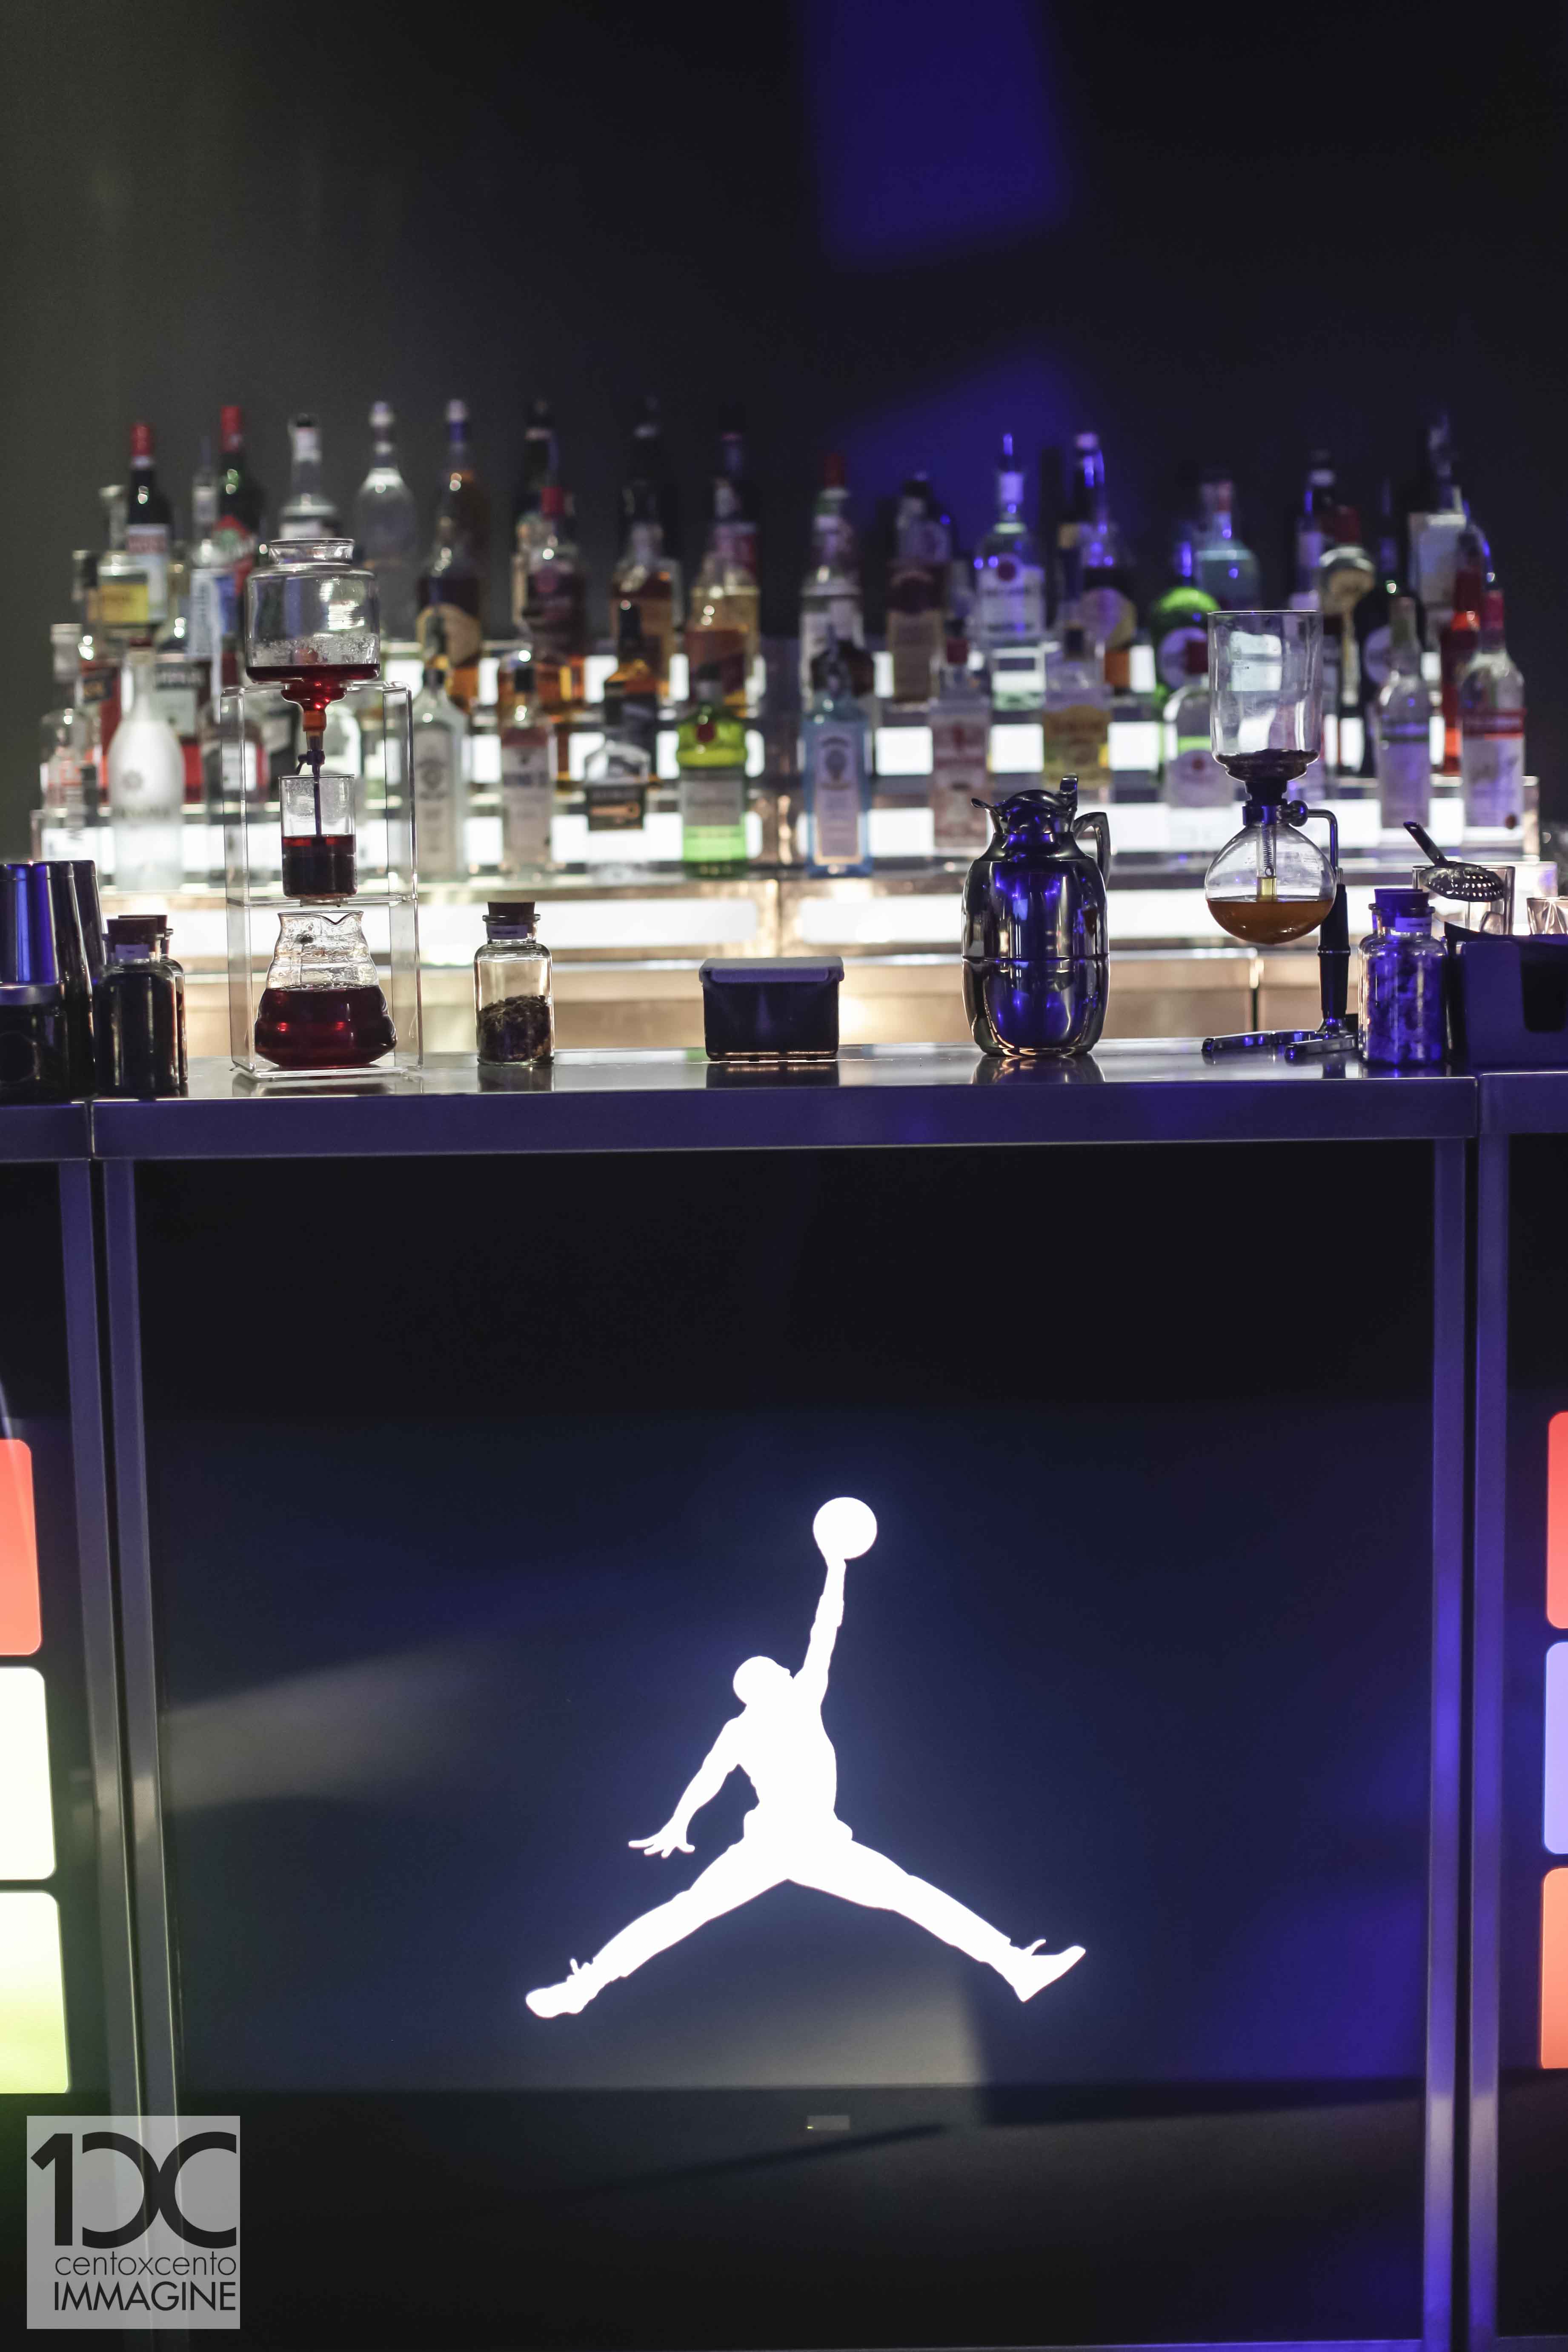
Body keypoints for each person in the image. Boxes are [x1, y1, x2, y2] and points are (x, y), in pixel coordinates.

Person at [526, 1498, 1084, 2019]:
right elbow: (710, 1774)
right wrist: (680, 1819)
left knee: (903, 1894)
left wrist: (836, 1567)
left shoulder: (783, 1704)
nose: (784, 1668)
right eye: (774, 1668)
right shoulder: (770, 1713)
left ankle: (1014, 1965)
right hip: (774, 1843)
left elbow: (823, 1631)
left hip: (816, 1843)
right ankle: (584, 1985)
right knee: (691, 1911)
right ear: (759, 1684)